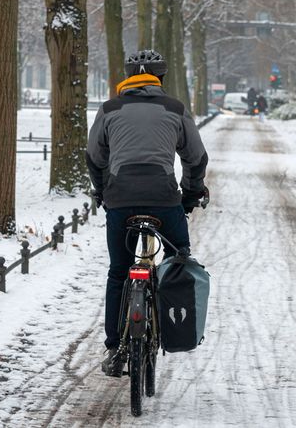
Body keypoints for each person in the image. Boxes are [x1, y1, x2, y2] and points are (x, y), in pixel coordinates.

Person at [86, 49, 210, 376]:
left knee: (118, 272)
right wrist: (191, 193)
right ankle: (172, 328)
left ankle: (115, 349)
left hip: (120, 198)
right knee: (178, 259)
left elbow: (94, 158)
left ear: (127, 78)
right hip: (163, 197)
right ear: (160, 79)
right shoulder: (174, 108)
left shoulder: (109, 108)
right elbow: (196, 158)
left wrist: (102, 192)